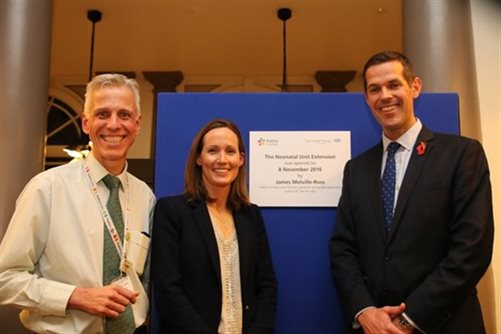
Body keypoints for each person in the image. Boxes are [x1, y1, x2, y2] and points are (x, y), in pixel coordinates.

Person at [329, 51, 494, 334]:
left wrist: (408, 320)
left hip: (446, 324)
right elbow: (343, 249)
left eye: (394, 85)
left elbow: (472, 247)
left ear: (415, 87)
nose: (385, 96)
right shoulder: (356, 170)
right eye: (374, 89)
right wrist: (365, 312)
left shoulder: (462, 154)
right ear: (367, 99)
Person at [0, 74, 155, 333]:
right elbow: (5, 280)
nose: (114, 125)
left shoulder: (145, 196)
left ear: (137, 125)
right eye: (103, 114)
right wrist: (74, 296)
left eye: (124, 115)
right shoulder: (47, 189)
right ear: (86, 123)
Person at [151, 118, 277, 333]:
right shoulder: (172, 211)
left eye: (230, 151)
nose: (222, 159)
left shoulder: (251, 215)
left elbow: (266, 286)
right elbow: (168, 290)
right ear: (199, 158)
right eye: (212, 151)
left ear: (241, 159)